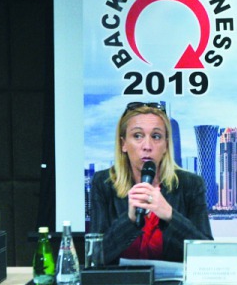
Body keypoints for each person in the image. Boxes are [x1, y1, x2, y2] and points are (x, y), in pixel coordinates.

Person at [89, 102, 212, 264]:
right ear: (123, 144)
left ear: (166, 145)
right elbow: (95, 258)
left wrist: (170, 215)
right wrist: (129, 219)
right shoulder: (103, 183)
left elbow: (208, 254)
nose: (147, 146)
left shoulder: (190, 184)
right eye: (137, 136)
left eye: (156, 136)